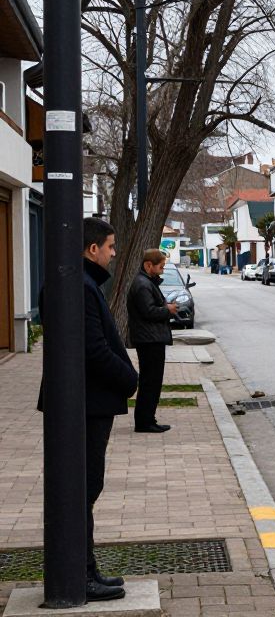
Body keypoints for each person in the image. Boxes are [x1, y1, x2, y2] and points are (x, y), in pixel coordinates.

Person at [38, 218, 139, 602]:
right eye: (111, 247)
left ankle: (87, 569)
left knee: (85, 488)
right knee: (81, 489)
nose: (114, 254)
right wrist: (129, 380)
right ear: (92, 249)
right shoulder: (77, 286)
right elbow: (93, 350)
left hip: (86, 402)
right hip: (86, 404)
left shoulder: (79, 283)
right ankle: (80, 575)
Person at [127, 248, 178, 433]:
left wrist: (165, 306)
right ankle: (144, 421)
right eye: (161, 266)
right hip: (149, 340)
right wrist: (168, 310)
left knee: (153, 381)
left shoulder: (147, 282)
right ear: (149, 265)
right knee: (150, 382)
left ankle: (149, 419)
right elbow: (148, 311)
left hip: (151, 338)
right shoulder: (142, 284)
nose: (163, 270)